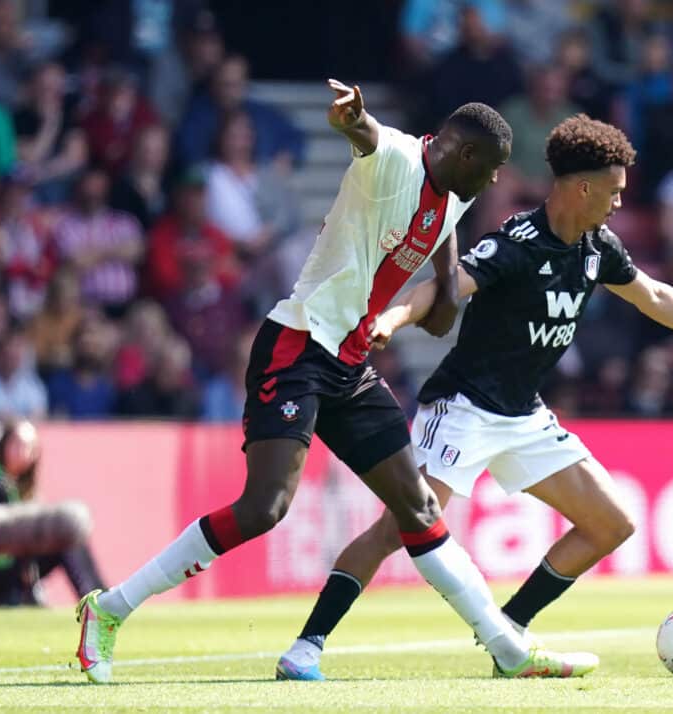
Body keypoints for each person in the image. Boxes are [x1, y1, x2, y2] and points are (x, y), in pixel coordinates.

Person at [76, 79, 595, 684]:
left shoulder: (455, 188)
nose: (498, 182)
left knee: (418, 506)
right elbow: (369, 140)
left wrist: (447, 286)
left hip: (349, 363)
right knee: (265, 507)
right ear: (465, 155)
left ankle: (506, 648)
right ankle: (107, 610)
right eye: (496, 169)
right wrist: (352, 120)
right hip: (297, 346)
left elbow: (444, 261)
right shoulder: (396, 158)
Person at [276, 114, 673, 680]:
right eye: (612, 191)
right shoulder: (517, 242)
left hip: (524, 414)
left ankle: (508, 633)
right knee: (399, 528)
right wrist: (392, 318)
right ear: (581, 187)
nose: (617, 204)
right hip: (462, 408)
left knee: (610, 525)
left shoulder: (597, 246)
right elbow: (446, 285)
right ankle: (307, 645)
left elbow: (654, 296)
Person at [0, 420, 104, 606]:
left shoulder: (9, 482)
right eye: (17, 444)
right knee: (66, 538)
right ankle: (95, 601)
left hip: (8, 566)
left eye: (29, 447)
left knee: (72, 535)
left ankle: (98, 593)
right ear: (4, 444)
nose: (23, 452)